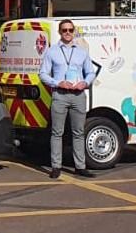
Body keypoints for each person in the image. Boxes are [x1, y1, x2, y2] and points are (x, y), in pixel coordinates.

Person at [38, 20, 98, 179]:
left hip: (78, 95)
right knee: (57, 132)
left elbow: (90, 72)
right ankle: (56, 166)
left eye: (70, 30)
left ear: (74, 32)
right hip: (60, 94)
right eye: (64, 30)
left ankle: (80, 166)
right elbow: (43, 74)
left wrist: (85, 82)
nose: (68, 32)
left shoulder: (82, 52)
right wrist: (58, 82)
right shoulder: (52, 52)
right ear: (59, 32)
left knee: (78, 132)